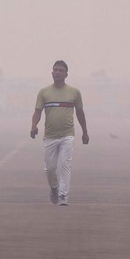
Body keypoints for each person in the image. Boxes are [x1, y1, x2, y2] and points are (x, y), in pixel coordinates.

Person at [29, 59, 89, 206]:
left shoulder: (74, 92)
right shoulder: (44, 92)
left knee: (65, 165)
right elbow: (37, 112)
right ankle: (54, 188)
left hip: (67, 135)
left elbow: (80, 113)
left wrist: (85, 132)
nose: (57, 73)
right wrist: (33, 126)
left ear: (66, 74)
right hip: (50, 136)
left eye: (61, 70)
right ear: (51, 73)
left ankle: (63, 196)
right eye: (55, 70)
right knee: (50, 169)